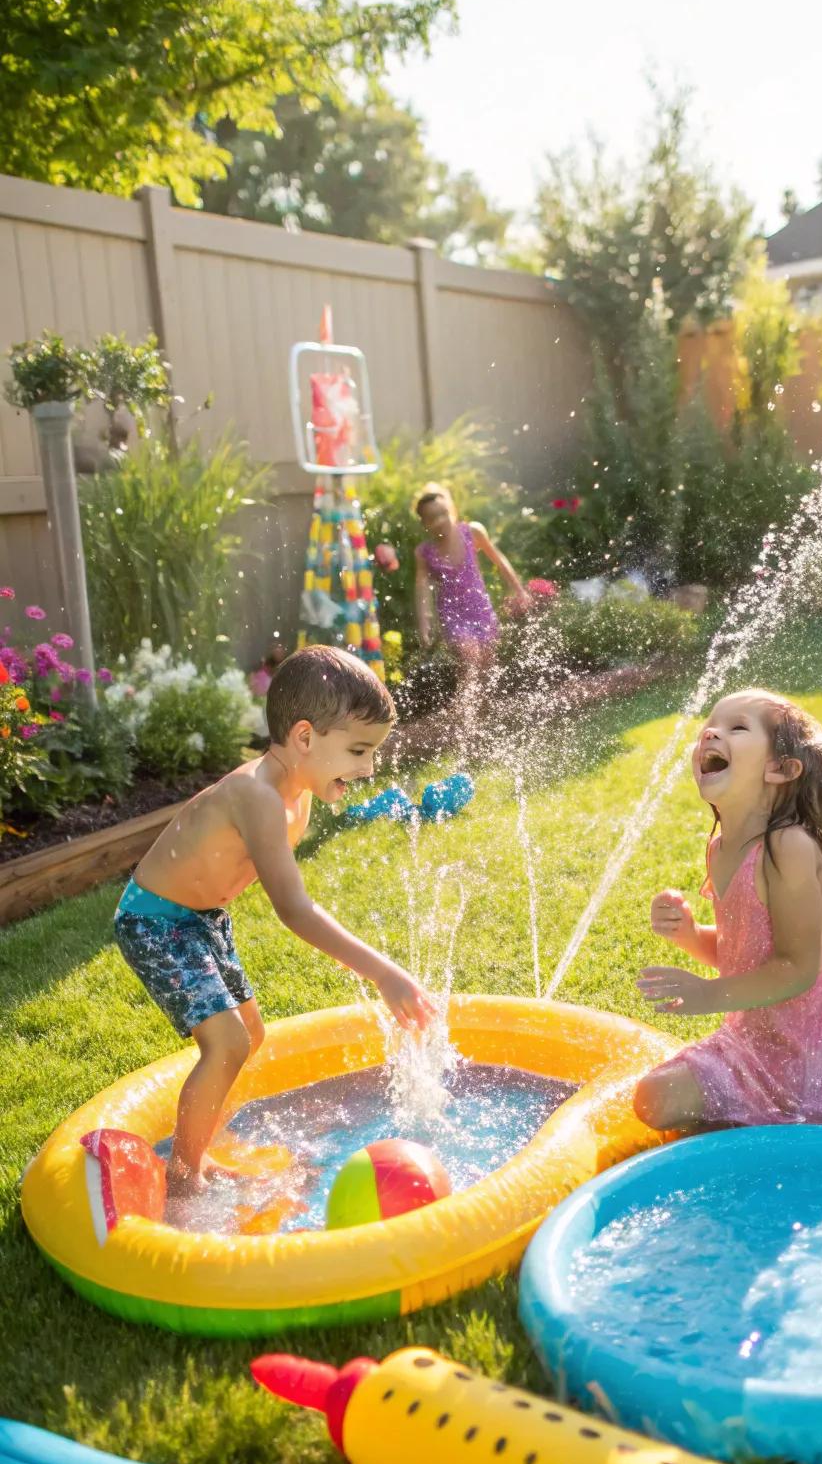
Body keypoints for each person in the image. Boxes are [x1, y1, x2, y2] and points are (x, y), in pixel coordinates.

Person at [114, 645, 434, 1211]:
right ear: (305, 738)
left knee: (249, 1036)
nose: (367, 768)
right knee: (227, 1041)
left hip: (201, 918)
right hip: (155, 921)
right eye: (358, 751)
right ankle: (186, 1180)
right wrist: (384, 974)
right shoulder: (256, 795)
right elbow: (294, 909)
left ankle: (200, 1148)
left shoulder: (296, 796)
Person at [633, 689, 822, 1133]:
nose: (711, 732)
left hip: (812, 1068)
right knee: (651, 1096)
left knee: (657, 1098)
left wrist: (708, 995)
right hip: (752, 1045)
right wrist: (689, 934)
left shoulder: (788, 847)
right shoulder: (721, 849)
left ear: (780, 769)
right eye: (709, 725)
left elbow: (796, 968)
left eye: (737, 727)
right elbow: (743, 953)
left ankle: (765, 1126)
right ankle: (744, 1124)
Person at [413, 484, 529, 680]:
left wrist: (519, 590)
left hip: (480, 608)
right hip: (452, 614)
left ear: (452, 511)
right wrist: (425, 626)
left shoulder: (472, 532)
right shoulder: (424, 552)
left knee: (486, 670)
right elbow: (422, 591)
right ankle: (463, 710)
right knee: (469, 656)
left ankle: (478, 709)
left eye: (443, 513)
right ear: (424, 524)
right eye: (433, 518)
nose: (440, 520)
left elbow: (500, 561)